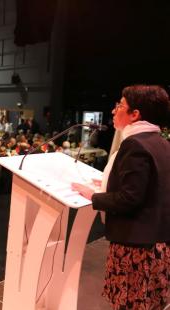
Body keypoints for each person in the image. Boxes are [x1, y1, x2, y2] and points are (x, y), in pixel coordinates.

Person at [72, 85, 170, 310]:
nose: (114, 110)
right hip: (158, 243)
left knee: (130, 304)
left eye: (120, 106)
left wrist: (94, 196)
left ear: (135, 114)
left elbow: (130, 198)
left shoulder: (135, 144)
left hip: (136, 248)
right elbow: (151, 187)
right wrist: (108, 183)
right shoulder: (161, 143)